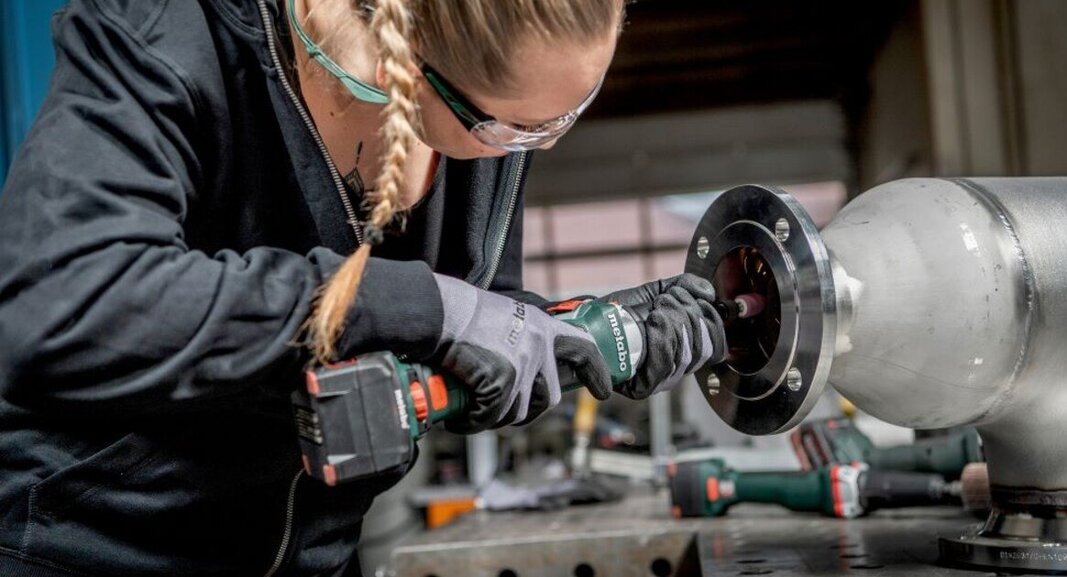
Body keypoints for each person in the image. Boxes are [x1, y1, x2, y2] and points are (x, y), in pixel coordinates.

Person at [0, 0, 727, 576]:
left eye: (569, 112)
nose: (545, 143)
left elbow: (447, 346)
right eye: (517, 130)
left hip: (317, 559)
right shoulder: (169, 29)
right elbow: (67, 305)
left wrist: (578, 335)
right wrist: (418, 306)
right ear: (404, 57)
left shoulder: (482, 113)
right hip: (96, 551)